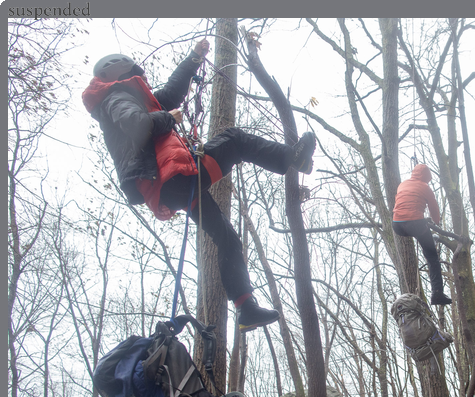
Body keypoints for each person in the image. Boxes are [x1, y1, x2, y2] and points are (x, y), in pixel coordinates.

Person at [82, 40, 316, 332]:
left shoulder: (128, 97)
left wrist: (193, 59)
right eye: (137, 76)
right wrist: (167, 119)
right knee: (235, 140)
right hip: (171, 178)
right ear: (121, 72)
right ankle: (289, 158)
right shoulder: (115, 96)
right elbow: (136, 124)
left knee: (227, 238)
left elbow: (169, 95)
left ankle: (246, 308)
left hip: (171, 187)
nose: (142, 81)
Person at [392, 164, 452, 306]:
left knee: (424, 238)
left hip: (398, 225)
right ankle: (437, 293)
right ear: (426, 177)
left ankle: (431, 239)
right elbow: (434, 209)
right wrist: (437, 223)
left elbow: (404, 203)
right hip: (415, 224)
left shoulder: (403, 184)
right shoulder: (425, 187)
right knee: (432, 256)